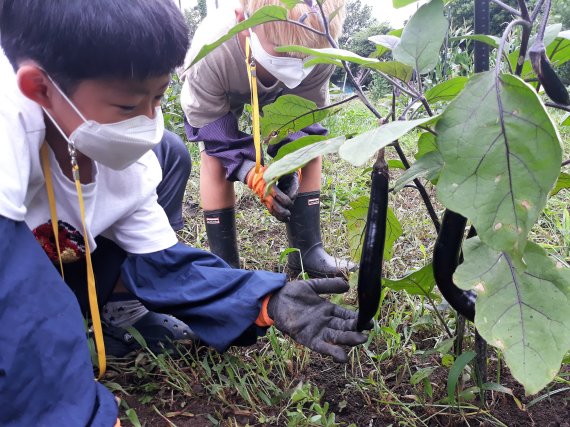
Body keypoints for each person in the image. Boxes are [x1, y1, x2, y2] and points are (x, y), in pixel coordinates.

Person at [0, 1, 369, 425]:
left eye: (158, 97)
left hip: (56, 264)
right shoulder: (7, 128)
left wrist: (265, 298)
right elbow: (18, 303)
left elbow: (164, 264)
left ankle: (114, 311)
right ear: (40, 88)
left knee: (169, 155)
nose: (149, 121)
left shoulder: (127, 163)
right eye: (127, 107)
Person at [181, 0, 357, 277]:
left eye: (306, 55)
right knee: (214, 159)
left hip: (277, 85)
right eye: (285, 52)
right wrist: (250, 171)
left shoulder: (324, 50)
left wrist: (291, 160)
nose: (297, 62)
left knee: (308, 146)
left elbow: (305, 120)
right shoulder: (211, 53)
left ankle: (307, 251)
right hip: (224, 82)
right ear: (243, 21)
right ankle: (226, 267)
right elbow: (215, 134)